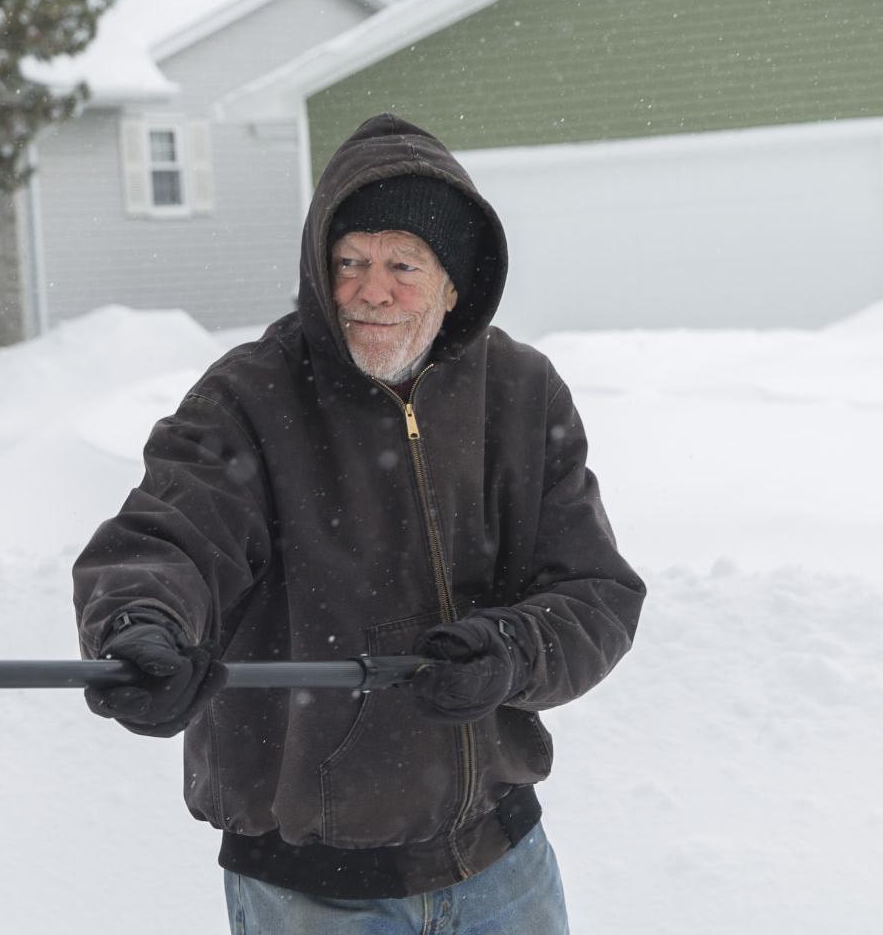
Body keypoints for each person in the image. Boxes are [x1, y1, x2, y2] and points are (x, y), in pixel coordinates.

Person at [72, 114, 644, 934]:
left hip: (501, 862)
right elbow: (169, 536)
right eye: (349, 261)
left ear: (455, 281)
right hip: (315, 888)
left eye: (402, 265)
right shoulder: (249, 398)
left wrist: (508, 653)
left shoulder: (519, 393)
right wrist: (142, 625)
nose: (370, 290)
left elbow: (594, 592)